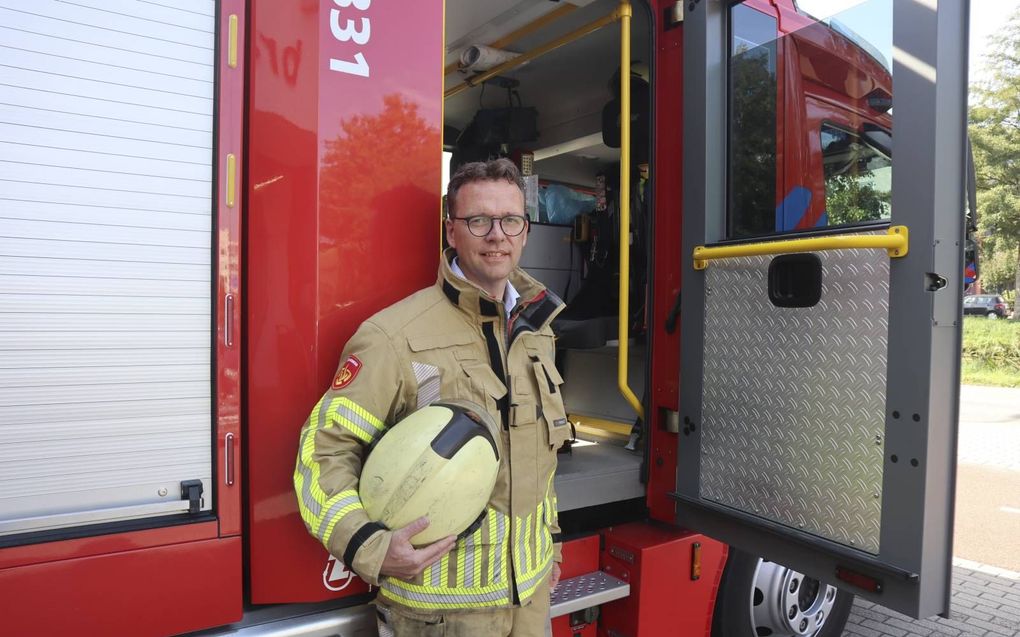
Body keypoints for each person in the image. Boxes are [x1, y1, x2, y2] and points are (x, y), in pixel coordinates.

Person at [294, 158, 571, 636]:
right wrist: (369, 545)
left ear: (525, 231)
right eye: (478, 220)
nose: (496, 235)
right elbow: (323, 455)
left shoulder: (537, 333)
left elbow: (540, 462)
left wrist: (550, 549)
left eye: (510, 221)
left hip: (530, 604)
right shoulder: (394, 336)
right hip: (439, 618)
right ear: (451, 231)